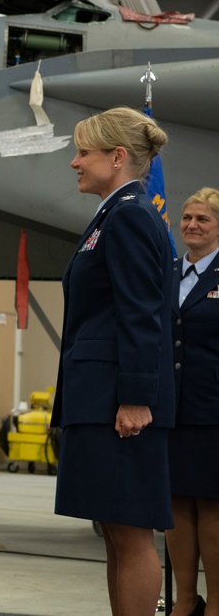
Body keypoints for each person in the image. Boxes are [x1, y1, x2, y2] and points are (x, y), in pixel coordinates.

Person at [51, 106, 175, 616]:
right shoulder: (115, 213)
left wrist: (135, 398)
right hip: (100, 397)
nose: (75, 163)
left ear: (118, 157)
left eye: (84, 152)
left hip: (119, 406)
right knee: (115, 532)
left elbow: (142, 312)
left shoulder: (129, 216)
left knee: (130, 532)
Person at [167, 187, 219, 616]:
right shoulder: (165, 273)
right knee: (176, 505)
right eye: (186, 218)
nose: (192, 226)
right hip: (170, 408)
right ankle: (186, 601)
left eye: (203, 219)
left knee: (214, 508)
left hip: (214, 408)